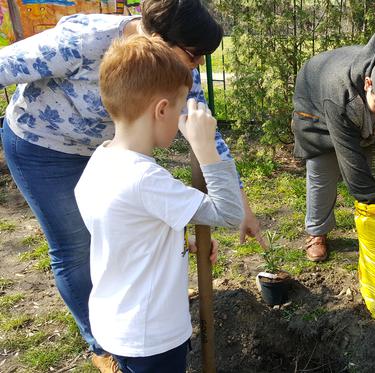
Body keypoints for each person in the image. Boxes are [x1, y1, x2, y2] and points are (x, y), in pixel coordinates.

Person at [0, 1, 263, 370]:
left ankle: (119, 331)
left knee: (107, 230)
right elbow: (4, 66)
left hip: (103, 154)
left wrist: (238, 207)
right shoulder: (85, 40)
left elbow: (124, 223)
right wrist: (206, 158)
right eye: (194, 54)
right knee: (75, 248)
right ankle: (101, 347)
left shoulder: (115, 157)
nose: (198, 64)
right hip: (42, 145)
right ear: (157, 38)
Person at [74, 34, 243, 372]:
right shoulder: (145, 179)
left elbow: (125, 226)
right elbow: (229, 212)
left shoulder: (102, 159)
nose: (182, 120)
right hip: (152, 337)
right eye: (180, 109)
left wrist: (173, 240)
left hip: (115, 322)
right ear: (162, 110)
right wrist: (205, 149)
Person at [292, 29, 375, 262]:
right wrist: (371, 205)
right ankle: (317, 232)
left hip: (355, 105)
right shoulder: (338, 91)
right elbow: (349, 158)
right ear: (368, 84)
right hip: (317, 107)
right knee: (323, 169)